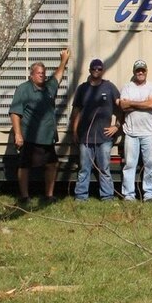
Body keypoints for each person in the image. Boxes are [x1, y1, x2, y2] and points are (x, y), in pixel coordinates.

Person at [9, 48, 71, 205]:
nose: (42, 75)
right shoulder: (24, 89)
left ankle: (49, 196)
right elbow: (15, 113)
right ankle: (24, 197)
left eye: (43, 73)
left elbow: (58, 76)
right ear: (31, 75)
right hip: (29, 136)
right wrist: (17, 134)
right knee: (25, 166)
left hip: (47, 137)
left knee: (52, 164)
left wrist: (63, 60)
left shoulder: (49, 88)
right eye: (38, 73)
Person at [70, 58, 120, 201]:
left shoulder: (109, 87)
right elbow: (76, 111)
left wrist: (116, 126)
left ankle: (107, 196)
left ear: (103, 70)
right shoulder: (82, 88)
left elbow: (120, 107)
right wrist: (74, 132)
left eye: (99, 69)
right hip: (85, 137)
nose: (96, 71)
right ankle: (80, 196)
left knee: (104, 169)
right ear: (90, 70)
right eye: (94, 69)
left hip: (104, 137)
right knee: (84, 168)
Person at [118, 59, 152, 202]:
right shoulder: (127, 87)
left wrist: (132, 103)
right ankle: (129, 195)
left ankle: (149, 194)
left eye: (142, 70)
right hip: (131, 133)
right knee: (129, 165)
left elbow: (151, 104)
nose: (140, 72)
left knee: (150, 164)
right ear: (134, 72)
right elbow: (123, 107)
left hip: (149, 133)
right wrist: (143, 104)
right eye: (138, 70)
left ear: (146, 71)